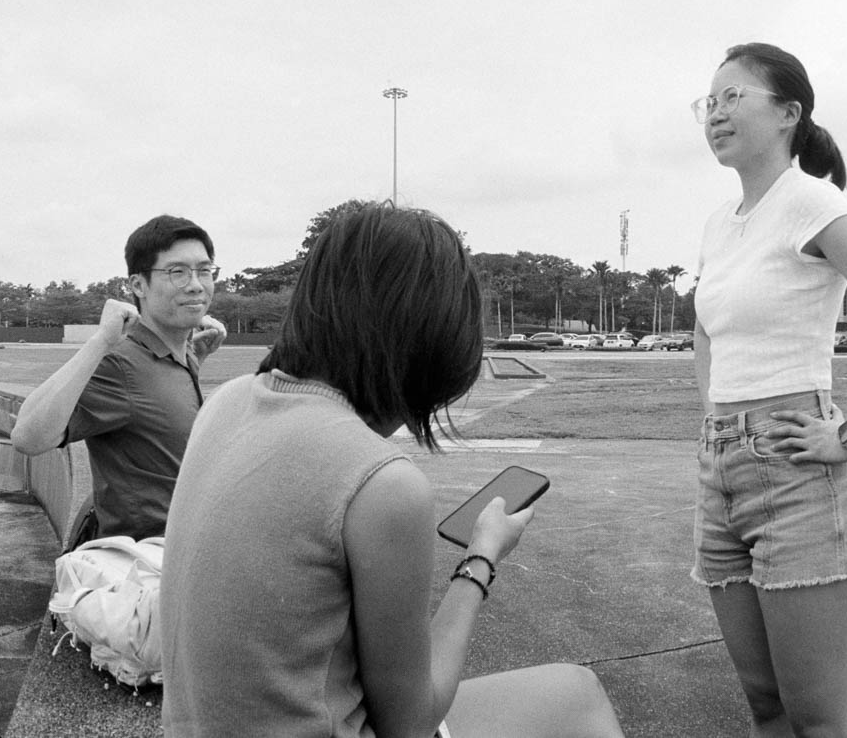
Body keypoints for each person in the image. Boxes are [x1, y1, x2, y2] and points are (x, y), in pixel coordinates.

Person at [161, 203, 624, 738]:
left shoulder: (227, 401)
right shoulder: (382, 483)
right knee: (578, 695)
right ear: (427, 349)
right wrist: (482, 557)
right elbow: (411, 723)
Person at [690, 43, 847, 737]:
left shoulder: (812, 202)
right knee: (765, 704)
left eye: (733, 97)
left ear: (788, 113)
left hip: (796, 471)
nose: (715, 113)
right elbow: (707, 332)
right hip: (721, 470)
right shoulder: (719, 223)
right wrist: (714, 417)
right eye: (708, 102)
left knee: (818, 718)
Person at [10, 214, 227, 545]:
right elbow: (28, 437)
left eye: (205, 270)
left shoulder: (177, 355)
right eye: (177, 272)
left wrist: (193, 359)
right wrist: (100, 342)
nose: (196, 284)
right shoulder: (119, 364)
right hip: (149, 569)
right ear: (138, 285)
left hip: (189, 554)